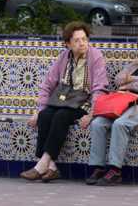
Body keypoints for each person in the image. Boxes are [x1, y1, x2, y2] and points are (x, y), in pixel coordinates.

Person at [21, 21, 108, 182]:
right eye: (77, 40)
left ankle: (42, 165)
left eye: (84, 39)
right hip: (64, 100)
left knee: (61, 116)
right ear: (68, 44)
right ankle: (51, 166)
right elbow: (48, 84)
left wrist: (91, 114)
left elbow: (99, 88)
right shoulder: (64, 57)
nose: (82, 43)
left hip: (84, 103)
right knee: (46, 115)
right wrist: (38, 110)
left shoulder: (95, 56)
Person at [85, 31, 138, 186]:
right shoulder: (133, 65)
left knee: (120, 124)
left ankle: (115, 170)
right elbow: (118, 80)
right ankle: (97, 167)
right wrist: (137, 80)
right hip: (121, 104)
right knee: (98, 123)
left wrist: (130, 81)